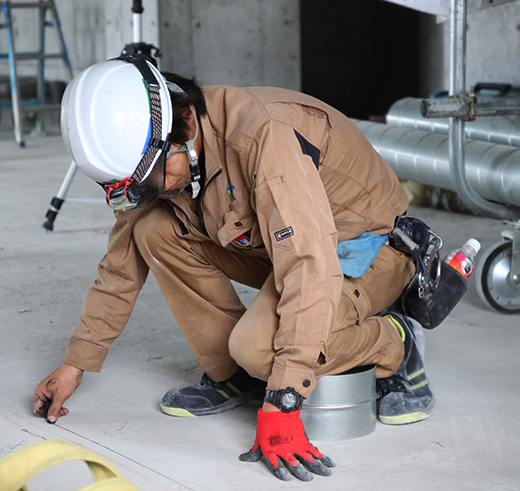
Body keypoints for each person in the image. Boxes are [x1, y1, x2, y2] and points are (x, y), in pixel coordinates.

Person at [33, 55, 435, 482]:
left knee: (260, 350)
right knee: (151, 227)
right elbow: (120, 266)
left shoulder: (264, 138)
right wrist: (75, 363)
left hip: (363, 248)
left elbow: (307, 262)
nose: (156, 188)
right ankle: (235, 375)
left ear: (184, 122)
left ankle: (394, 343)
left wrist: (284, 398)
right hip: (279, 242)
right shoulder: (152, 156)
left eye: (154, 176)